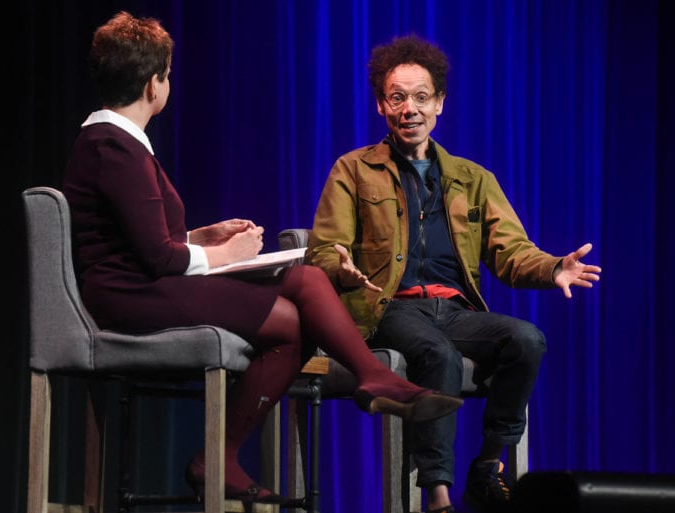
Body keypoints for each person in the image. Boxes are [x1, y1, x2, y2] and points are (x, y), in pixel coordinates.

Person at [62, 13, 462, 508]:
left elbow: (142, 237)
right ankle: (365, 380)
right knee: (300, 298)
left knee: (301, 296)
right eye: (167, 74)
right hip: (130, 297)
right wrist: (222, 254)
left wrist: (200, 236)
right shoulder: (114, 146)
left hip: (143, 284)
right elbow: (156, 257)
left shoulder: (115, 144)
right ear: (153, 85)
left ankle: (227, 453)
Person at [306, 34, 601, 513]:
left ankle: (486, 467)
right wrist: (341, 268)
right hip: (389, 307)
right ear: (382, 104)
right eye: (397, 97)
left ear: (439, 103)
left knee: (527, 339)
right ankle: (437, 495)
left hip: (456, 309)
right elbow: (323, 249)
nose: (410, 109)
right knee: (436, 354)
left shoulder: (472, 177)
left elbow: (511, 252)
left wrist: (553, 269)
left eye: (421, 97)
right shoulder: (354, 170)